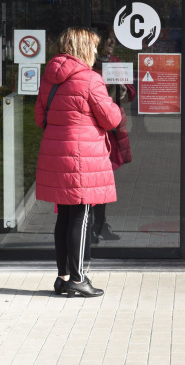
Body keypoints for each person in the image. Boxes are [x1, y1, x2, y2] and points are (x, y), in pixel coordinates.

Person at [35, 27, 122, 298]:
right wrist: (117, 107)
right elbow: (111, 119)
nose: (96, 52)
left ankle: (63, 277)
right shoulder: (90, 80)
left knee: (64, 216)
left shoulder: (50, 78)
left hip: (56, 155)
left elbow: (40, 118)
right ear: (83, 49)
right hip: (81, 159)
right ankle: (78, 278)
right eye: (94, 47)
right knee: (82, 216)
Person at [91, 27, 136, 244]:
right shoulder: (88, 64)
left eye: (113, 41)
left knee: (104, 178)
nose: (111, 45)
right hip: (93, 128)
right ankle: (89, 225)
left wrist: (124, 88)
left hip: (112, 128)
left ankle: (100, 223)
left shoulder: (115, 62)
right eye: (108, 41)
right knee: (91, 179)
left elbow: (130, 92)